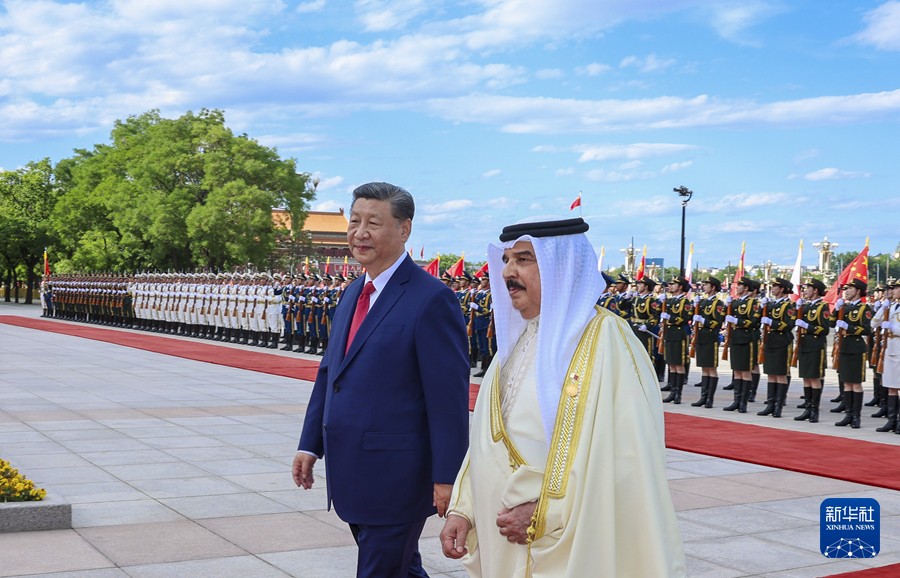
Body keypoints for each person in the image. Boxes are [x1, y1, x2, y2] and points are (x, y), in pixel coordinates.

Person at [440, 216, 685, 577]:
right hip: (500, 540)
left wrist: (547, 512)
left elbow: (623, 461)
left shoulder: (607, 340)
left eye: (524, 259)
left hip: (565, 542)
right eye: (506, 260)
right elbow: (487, 440)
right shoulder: (517, 339)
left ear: (561, 267)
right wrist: (464, 509)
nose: (508, 272)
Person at [292, 182, 470, 578]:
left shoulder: (431, 298)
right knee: (401, 569)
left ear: (404, 229)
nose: (360, 233)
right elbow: (330, 373)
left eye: (373, 223)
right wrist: (310, 444)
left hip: (397, 477)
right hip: (351, 469)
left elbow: (447, 399)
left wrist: (448, 477)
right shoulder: (353, 292)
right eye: (354, 221)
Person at [832, 278, 873, 429]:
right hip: (844, 347)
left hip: (856, 347)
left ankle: (856, 417)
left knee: (855, 383)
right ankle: (848, 415)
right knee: (846, 383)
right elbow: (831, 323)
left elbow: (867, 329)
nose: (847, 291)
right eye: (846, 289)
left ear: (858, 291)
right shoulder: (845, 307)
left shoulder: (864, 308)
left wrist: (848, 327)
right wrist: (836, 310)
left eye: (850, 289)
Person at [794, 278, 831, 423]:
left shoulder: (822, 307)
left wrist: (807, 326)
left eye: (808, 288)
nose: (805, 290)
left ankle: (815, 411)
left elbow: (825, 329)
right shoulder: (806, 306)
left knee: (814, 378)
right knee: (806, 378)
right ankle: (807, 408)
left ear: (815, 290)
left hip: (815, 346)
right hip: (804, 345)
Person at [758, 278, 796, 417]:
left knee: (780, 374)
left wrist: (772, 323)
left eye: (775, 286)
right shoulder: (771, 304)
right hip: (770, 340)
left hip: (782, 341)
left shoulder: (789, 305)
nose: (772, 288)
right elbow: (758, 318)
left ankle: (778, 406)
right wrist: (762, 308)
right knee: (771, 374)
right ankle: (770, 404)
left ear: (782, 289)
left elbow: (788, 325)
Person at [723, 277, 761, 413]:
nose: (737, 288)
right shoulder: (735, 302)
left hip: (746, 339)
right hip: (735, 338)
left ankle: (743, 403)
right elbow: (723, 316)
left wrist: (737, 321)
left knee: (745, 371)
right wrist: (726, 307)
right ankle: (736, 401)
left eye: (740, 286)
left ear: (746, 288)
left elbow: (753, 321)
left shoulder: (753, 303)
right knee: (737, 371)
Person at [691, 276, 725, 408]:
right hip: (701, 336)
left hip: (711, 337)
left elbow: (718, 323)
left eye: (707, 285)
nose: (704, 287)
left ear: (713, 287)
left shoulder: (718, 303)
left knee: (711, 368)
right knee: (704, 368)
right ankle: (703, 397)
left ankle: (710, 399)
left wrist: (703, 320)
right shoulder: (703, 302)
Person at [662, 276, 691, 404]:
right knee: (671, 364)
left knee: (679, 364)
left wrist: (670, 318)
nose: (671, 286)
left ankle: (678, 394)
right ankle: (672, 392)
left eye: (674, 284)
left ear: (680, 287)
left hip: (679, 334)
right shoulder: (670, 300)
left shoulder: (685, 302)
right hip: (669, 333)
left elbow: (685, 318)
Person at [876, 281, 900, 433]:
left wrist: (893, 328)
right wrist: (882, 309)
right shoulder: (891, 307)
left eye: (896, 288)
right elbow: (873, 323)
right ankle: (891, 420)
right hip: (890, 350)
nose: (893, 291)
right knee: (891, 387)